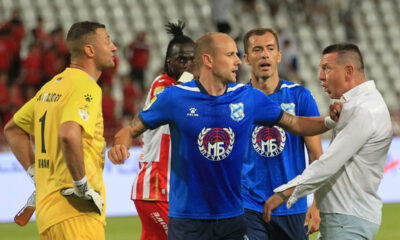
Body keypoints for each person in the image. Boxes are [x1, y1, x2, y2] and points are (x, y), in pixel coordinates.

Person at [108, 32, 338, 240]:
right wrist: (120, 145)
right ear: (208, 60)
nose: (238, 61)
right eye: (231, 55)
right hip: (188, 220)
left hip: (233, 220)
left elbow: (296, 123)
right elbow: (130, 130)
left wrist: (329, 120)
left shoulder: (247, 97)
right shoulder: (174, 98)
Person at [263, 43, 392, 240]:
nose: (320, 76)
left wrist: (286, 192)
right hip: (344, 220)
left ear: (348, 71)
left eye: (326, 68)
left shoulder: (364, 110)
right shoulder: (357, 105)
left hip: (348, 221)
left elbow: (329, 163)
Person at [4, 21, 117, 239]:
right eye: (108, 41)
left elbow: (13, 129)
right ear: (90, 50)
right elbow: (68, 133)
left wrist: (35, 173)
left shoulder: (52, 86)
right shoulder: (86, 87)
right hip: (77, 215)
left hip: (49, 216)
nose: (113, 47)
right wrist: (82, 187)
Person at [241, 27, 322, 239]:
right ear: (247, 58)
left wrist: (317, 203)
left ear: (279, 55)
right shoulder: (236, 100)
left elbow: (316, 156)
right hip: (249, 207)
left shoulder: (300, 97)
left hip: (291, 207)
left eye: (270, 49)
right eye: (257, 50)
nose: (264, 54)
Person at [131, 20, 195, 240]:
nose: (187, 65)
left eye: (191, 60)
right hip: (155, 189)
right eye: (181, 60)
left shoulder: (194, 93)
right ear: (169, 62)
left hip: (172, 191)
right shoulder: (164, 84)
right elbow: (172, 98)